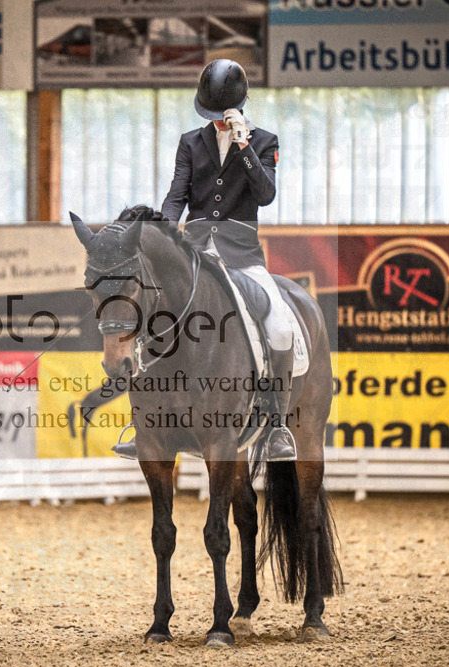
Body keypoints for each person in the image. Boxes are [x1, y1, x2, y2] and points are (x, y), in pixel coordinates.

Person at [113, 58, 298, 462]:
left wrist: (243, 144)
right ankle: (141, 420)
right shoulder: (190, 142)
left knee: (280, 328)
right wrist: (161, 230)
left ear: (241, 105)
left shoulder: (265, 141)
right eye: (211, 116)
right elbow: (178, 193)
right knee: (150, 317)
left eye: (222, 116)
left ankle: (276, 424)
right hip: (195, 250)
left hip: (242, 255)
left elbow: (265, 194)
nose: (216, 123)